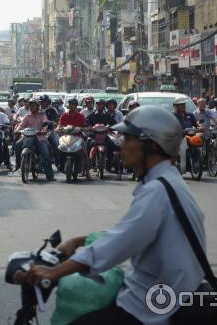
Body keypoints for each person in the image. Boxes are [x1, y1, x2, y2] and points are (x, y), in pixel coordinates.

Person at [23, 105, 205, 325]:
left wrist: (54, 273)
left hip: (150, 307)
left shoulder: (157, 192)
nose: (121, 144)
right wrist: (79, 240)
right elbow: (131, 232)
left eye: (128, 139)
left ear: (152, 146)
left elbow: (115, 246)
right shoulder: (168, 181)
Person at [14, 99, 55, 181]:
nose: (31, 107)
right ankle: (18, 165)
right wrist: (18, 129)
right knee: (17, 145)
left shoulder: (42, 115)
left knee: (46, 154)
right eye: (30, 106)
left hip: (39, 137)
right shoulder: (27, 116)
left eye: (33, 106)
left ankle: (49, 175)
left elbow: (45, 124)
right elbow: (21, 125)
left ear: (37, 106)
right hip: (27, 137)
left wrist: (43, 129)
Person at [58, 98, 91, 180]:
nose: (71, 106)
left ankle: (87, 172)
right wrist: (58, 129)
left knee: (84, 153)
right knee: (58, 150)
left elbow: (84, 126)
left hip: (78, 137)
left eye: (73, 104)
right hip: (66, 137)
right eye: (70, 104)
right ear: (68, 105)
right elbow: (60, 126)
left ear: (76, 106)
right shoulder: (64, 115)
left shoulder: (80, 116)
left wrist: (84, 128)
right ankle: (59, 164)